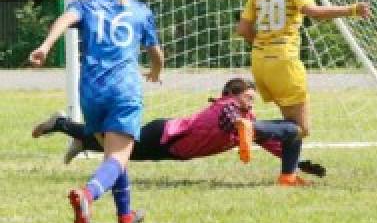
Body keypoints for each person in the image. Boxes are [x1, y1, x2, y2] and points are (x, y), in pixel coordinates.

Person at [29, 0, 163, 223]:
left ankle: (125, 215)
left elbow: (63, 21)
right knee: (116, 157)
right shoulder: (140, 11)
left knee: (114, 156)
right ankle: (87, 195)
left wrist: (44, 46)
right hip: (123, 89)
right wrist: (155, 70)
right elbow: (156, 53)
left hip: (91, 90)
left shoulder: (84, 6)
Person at [236, 0, 370, 187]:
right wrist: (351, 9)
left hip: (259, 62)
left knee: (290, 123)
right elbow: (315, 12)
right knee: (300, 127)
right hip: (284, 62)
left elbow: (243, 29)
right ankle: (251, 127)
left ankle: (287, 176)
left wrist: (265, 44)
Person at [32, 78, 325, 179]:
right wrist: (244, 124)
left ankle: (81, 139)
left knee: (123, 155)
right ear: (233, 94)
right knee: (121, 148)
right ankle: (62, 123)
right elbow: (229, 121)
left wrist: (296, 164)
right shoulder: (226, 108)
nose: (252, 102)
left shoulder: (245, 118)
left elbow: (268, 142)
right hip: (165, 134)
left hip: (173, 151)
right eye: (248, 96)